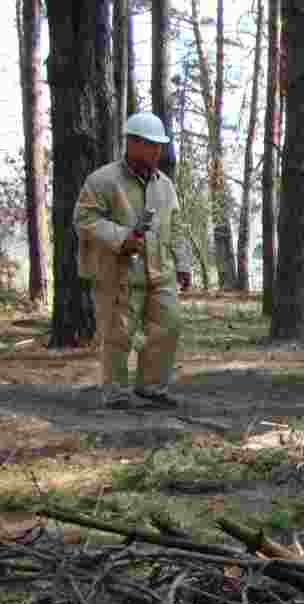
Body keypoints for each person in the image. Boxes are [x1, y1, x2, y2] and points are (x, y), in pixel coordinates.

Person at [74, 112, 191, 409]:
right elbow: (84, 219)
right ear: (132, 143)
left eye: (159, 145)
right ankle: (115, 392)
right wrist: (120, 237)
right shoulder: (102, 180)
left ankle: (151, 387)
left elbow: (176, 225)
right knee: (117, 333)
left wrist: (183, 264)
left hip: (160, 271)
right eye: (150, 145)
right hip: (118, 272)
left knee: (170, 324)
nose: (156, 151)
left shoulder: (164, 185)